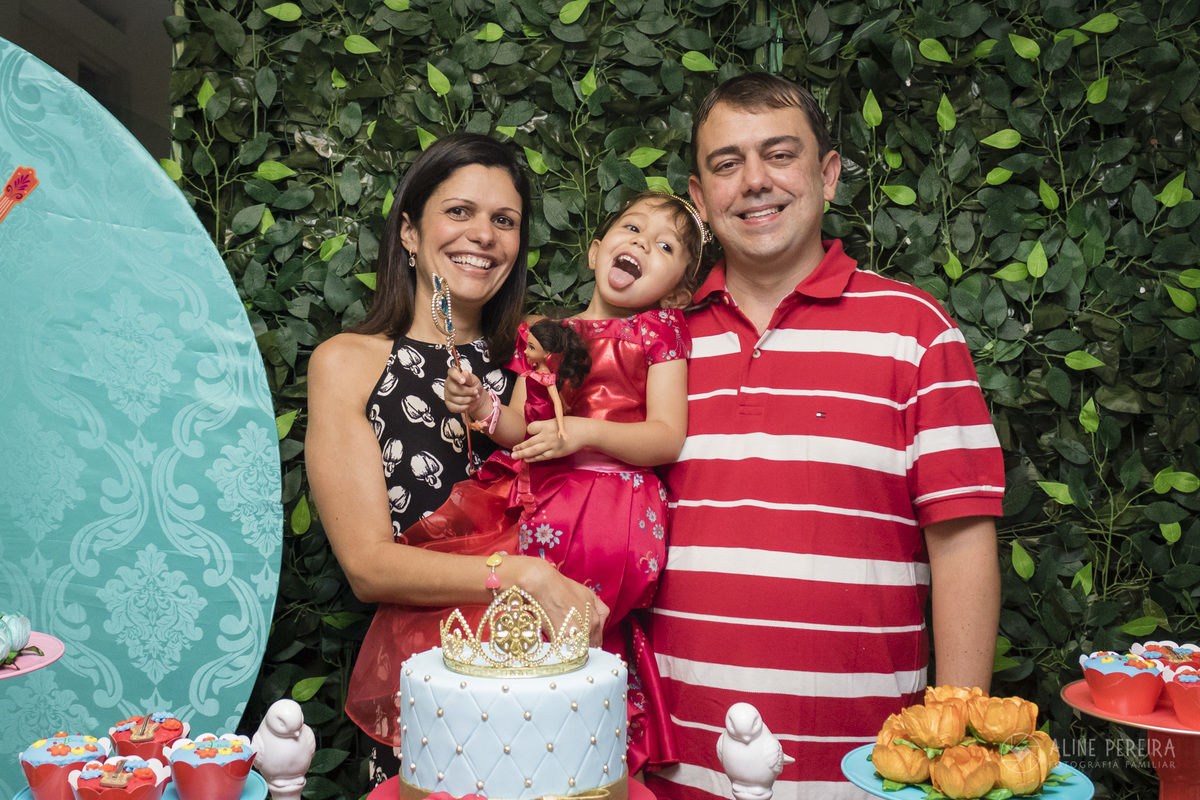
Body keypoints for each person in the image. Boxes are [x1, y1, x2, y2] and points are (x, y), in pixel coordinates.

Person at [645, 73, 1005, 800]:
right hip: (674, 773)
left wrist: (958, 748)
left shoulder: (916, 331)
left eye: (780, 154)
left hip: (866, 774)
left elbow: (963, 543)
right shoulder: (655, 344)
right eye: (727, 164)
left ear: (829, 175)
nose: (755, 181)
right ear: (699, 199)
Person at [352, 190, 708, 775]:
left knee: (584, 633)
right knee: (529, 636)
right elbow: (520, 427)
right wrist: (481, 407)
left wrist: (582, 435)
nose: (643, 244)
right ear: (595, 251)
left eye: (665, 246)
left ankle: (576, 742)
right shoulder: (546, 333)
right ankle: (525, 741)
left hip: (615, 509)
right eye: (633, 229)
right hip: (546, 504)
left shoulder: (660, 333)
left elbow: (667, 437)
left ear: (676, 293)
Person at [306, 133, 593, 786]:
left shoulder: (534, 371)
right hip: (429, 688)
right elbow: (369, 567)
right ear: (409, 232)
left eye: (504, 220)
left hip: (552, 683)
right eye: (459, 211)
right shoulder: (349, 363)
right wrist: (519, 575)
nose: (483, 235)